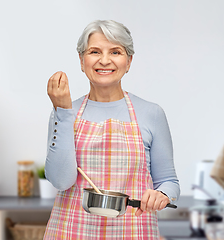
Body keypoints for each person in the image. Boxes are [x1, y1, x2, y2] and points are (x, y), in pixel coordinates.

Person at [43, 20, 180, 239]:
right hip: (72, 231)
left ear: (129, 61)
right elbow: (61, 181)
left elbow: (169, 182)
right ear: (81, 60)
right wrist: (62, 111)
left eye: (115, 52)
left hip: (134, 231)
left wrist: (162, 194)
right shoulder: (65, 112)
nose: (104, 60)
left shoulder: (151, 113)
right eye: (94, 51)